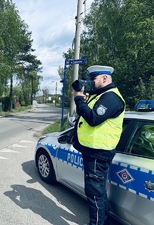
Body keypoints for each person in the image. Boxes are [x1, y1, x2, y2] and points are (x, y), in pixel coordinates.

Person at [72, 65, 125, 225]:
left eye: (93, 79)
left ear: (104, 78)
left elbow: (93, 118)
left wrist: (79, 100)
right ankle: (104, 222)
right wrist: (78, 88)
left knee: (94, 194)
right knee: (99, 193)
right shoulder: (102, 95)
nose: (90, 83)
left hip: (98, 153)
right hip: (94, 151)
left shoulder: (111, 98)